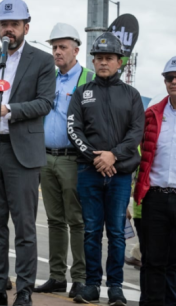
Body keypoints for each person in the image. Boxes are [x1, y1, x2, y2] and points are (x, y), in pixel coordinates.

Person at [0, 0, 55, 306]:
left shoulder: (42, 61)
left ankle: (25, 291)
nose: (8, 30)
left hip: (22, 153)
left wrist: (8, 110)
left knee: (25, 227)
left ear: (26, 27)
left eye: (14, 24)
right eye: (3, 24)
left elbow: (45, 103)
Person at [67, 32, 144, 304]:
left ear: (119, 61)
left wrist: (113, 156)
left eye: (108, 58)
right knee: (90, 231)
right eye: (98, 58)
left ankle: (115, 288)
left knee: (115, 233)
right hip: (89, 172)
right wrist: (95, 157)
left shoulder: (132, 96)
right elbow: (73, 129)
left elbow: (136, 133)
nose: (103, 63)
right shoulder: (82, 92)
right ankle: (90, 286)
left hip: (120, 174)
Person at [33, 23, 93, 298]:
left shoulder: (89, 79)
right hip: (46, 157)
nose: (56, 52)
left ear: (76, 50)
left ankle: (79, 277)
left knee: (76, 220)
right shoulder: (49, 78)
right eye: (54, 47)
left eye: (62, 47)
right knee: (55, 220)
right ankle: (57, 276)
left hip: (73, 159)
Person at [134, 56, 176, 306]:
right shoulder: (151, 114)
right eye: (169, 78)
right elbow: (138, 156)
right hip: (155, 198)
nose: (174, 82)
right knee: (152, 261)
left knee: (174, 264)